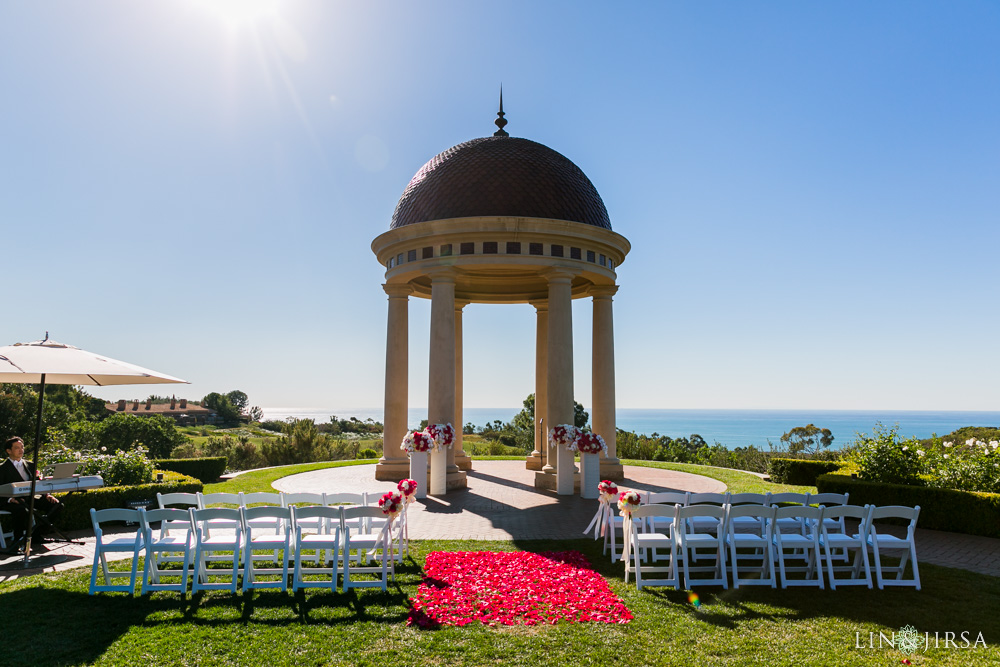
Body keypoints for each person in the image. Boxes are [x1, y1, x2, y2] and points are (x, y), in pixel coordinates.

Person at [0, 436, 63, 550]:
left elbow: (38, 483)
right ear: (8, 451)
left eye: (22, 447)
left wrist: (47, 495)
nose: (21, 450)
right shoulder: (2, 469)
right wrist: (10, 499)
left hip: (31, 498)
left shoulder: (30, 465)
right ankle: (17, 541)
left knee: (57, 505)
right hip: (10, 501)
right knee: (22, 510)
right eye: (17, 448)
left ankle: (36, 534)